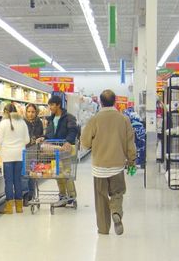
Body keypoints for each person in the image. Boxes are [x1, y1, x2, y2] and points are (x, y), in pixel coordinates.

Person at [80, 89, 136, 235]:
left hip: (99, 166)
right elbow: (130, 144)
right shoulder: (124, 119)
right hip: (117, 165)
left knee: (101, 198)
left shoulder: (94, 119)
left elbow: (85, 142)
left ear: (100, 102)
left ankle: (104, 229)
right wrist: (131, 161)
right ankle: (116, 212)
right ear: (115, 101)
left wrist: (94, 144)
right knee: (117, 192)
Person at [44, 92, 79, 201]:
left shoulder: (69, 117)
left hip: (65, 149)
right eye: (49, 105)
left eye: (52, 105)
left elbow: (73, 131)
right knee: (58, 174)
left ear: (58, 105)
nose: (50, 107)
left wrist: (68, 141)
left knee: (66, 173)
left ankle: (72, 196)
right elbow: (49, 134)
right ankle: (62, 195)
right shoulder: (50, 119)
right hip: (55, 150)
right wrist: (44, 138)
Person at [0, 103, 30, 214]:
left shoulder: (3, 123)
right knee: (18, 180)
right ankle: (19, 207)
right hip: (20, 155)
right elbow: (27, 140)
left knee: (9, 181)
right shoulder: (22, 122)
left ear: (6, 111)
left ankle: (9, 207)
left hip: (7, 156)